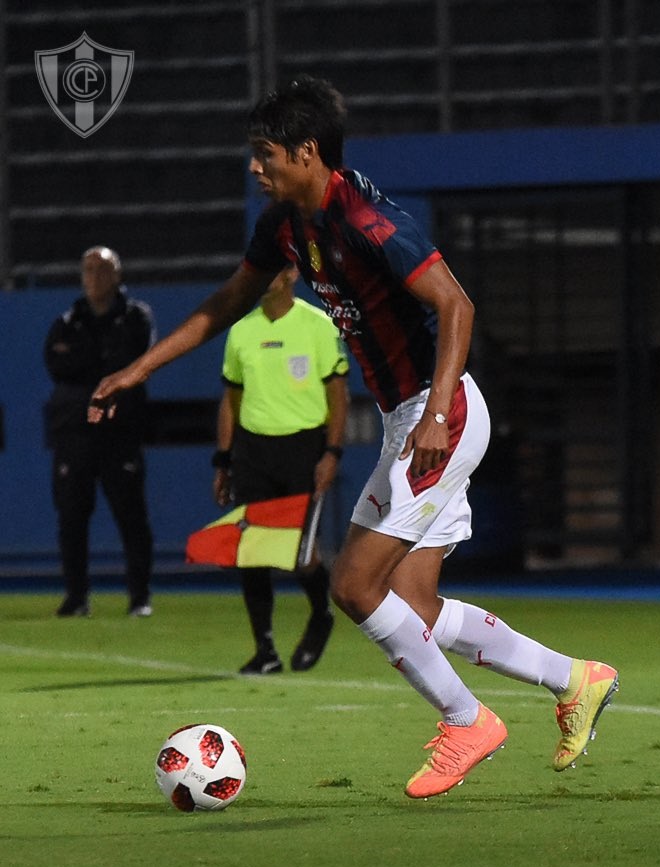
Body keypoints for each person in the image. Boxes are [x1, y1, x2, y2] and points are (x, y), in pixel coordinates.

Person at [88, 76, 618, 799]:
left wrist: (434, 417)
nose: (255, 168)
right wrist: (138, 368)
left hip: (443, 413)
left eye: (264, 154)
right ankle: (575, 679)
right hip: (414, 417)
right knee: (413, 603)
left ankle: (467, 720)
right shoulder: (283, 225)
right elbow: (227, 303)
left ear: (306, 153)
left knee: (354, 584)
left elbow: (457, 305)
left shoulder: (368, 220)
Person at [213, 264, 349, 675]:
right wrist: (223, 460)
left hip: (303, 449)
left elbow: (338, 395)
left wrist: (332, 452)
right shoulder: (241, 331)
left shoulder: (318, 325)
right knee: (252, 553)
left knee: (300, 554)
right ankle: (265, 650)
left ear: (290, 272)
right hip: (253, 452)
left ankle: (321, 612)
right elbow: (231, 400)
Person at [44, 246, 156, 618]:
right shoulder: (68, 320)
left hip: (119, 432)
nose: (94, 277)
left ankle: (139, 597)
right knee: (71, 517)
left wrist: (91, 366)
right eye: (88, 269)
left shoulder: (136, 317)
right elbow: (56, 363)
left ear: (118, 275)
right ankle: (76, 597)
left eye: (103, 269)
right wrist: (102, 365)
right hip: (74, 435)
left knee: (131, 517)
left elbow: (129, 362)